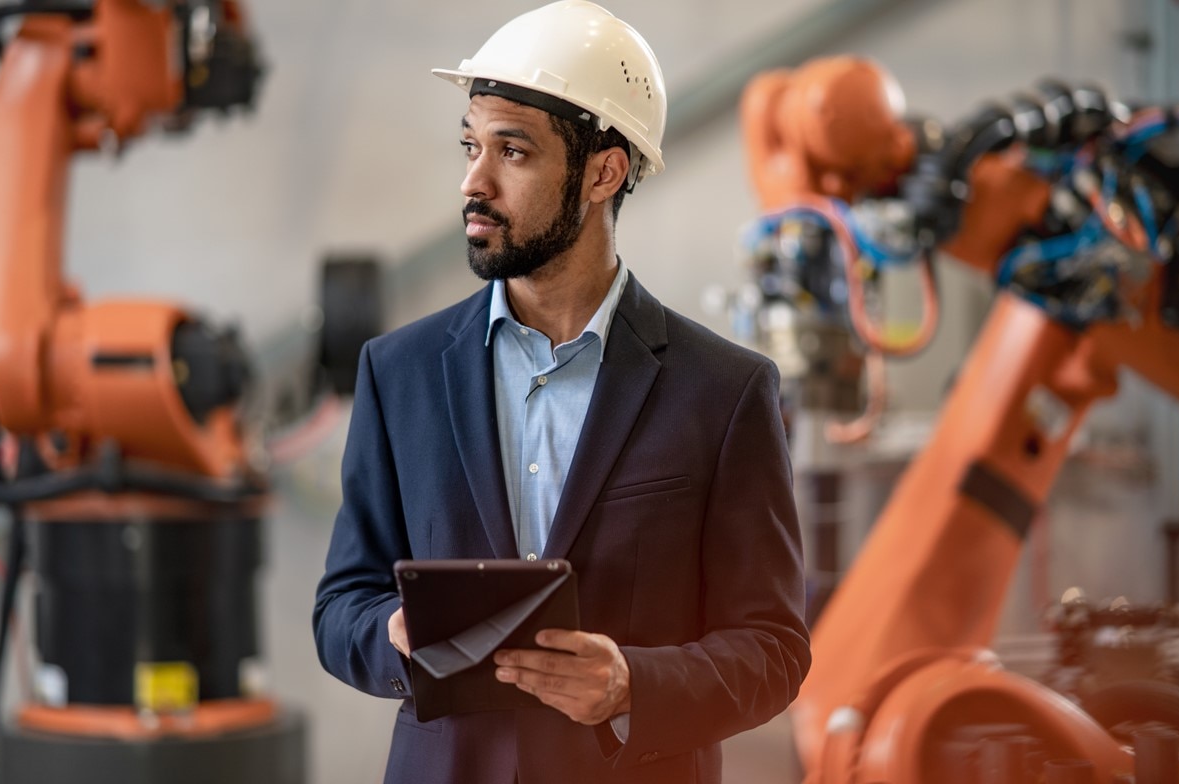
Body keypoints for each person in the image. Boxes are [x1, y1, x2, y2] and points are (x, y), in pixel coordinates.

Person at [312, 2, 809, 782]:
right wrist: (395, 634)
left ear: (603, 172)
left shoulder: (725, 392)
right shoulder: (398, 373)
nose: (475, 181)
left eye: (513, 151)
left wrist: (630, 685)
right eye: (471, 146)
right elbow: (342, 605)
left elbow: (774, 648)